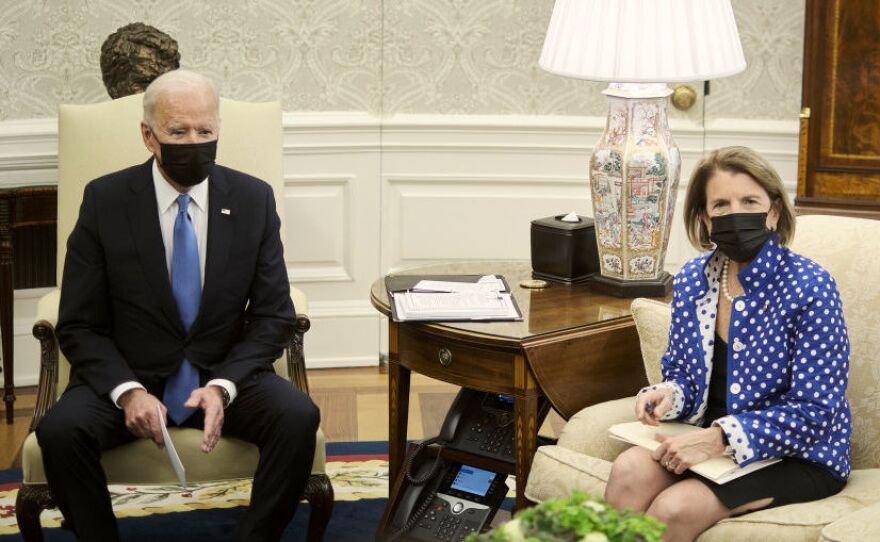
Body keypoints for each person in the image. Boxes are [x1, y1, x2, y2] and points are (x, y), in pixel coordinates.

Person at [36, 69, 320, 542]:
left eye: (205, 131)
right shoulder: (105, 200)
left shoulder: (252, 199)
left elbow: (274, 314)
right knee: (60, 430)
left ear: (218, 129)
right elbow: (79, 323)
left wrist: (224, 386)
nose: (194, 142)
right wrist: (128, 392)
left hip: (224, 370)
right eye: (178, 132)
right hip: (132, 369)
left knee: (297, 416)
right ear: (148, 136)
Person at [604, 147, 850, 542]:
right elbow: (683, 373)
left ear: (772, 212)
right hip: (705, 441)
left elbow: (815, 410)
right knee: (628, 470)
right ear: (706, 218)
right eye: (721, 204)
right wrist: (668, 394)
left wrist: (719, 438)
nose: (736, 213)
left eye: (749, 201)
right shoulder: (691, 280)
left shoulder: (810, 286)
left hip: (797, 453)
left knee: (674, 508)